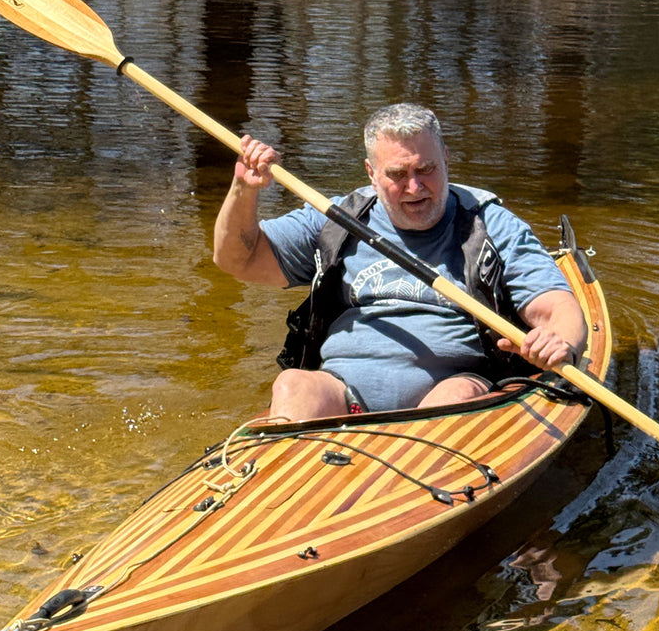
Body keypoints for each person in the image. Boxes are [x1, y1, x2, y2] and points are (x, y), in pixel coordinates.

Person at [212, 103, 587, 421]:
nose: (414, 187)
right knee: (292, 384)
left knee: (455, 396)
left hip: (454, 394)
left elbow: (557, 307)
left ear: (446, 161)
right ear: (372, 174)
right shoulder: (339, 219)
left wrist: (560, 341)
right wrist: (243, 191)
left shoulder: (489, 224)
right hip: (342, 394)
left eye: (426, 169)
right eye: (397, 174)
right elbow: (236, 261)